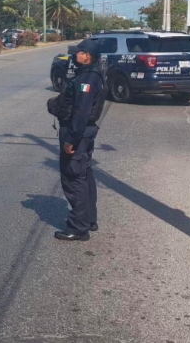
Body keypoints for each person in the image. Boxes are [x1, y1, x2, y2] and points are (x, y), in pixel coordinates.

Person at [54, 38, 106, 242]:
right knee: (84, 175)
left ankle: (78, 227)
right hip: (84, 132)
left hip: (78, 133)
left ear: (87, 56)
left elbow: (81, 112)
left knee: (74, 178)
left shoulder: (88, 79)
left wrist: (72, 141)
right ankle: (89, 219)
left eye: (79, 52)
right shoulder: (89, 74)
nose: (76, 55)